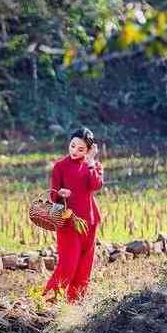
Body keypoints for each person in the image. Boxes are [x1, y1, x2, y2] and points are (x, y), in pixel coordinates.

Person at [42, 126, 103, 304]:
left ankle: (74, 306)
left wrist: (91, 161)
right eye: (72, 146)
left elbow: (96, 185)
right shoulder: (60, 166)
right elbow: (53, 195)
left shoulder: (94, 166)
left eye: (81, 149)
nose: (75, 151)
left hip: (90, 221)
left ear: (89, 150)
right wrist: (60, 193)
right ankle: (47, 303)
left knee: (84, 267)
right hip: (68, 222)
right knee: (67, 266)